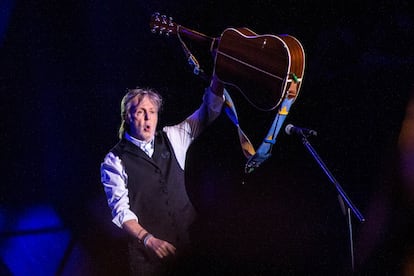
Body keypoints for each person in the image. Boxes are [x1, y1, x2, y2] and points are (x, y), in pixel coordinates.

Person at [100, 75, 224, 275]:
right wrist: (148, 239)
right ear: (127, 117)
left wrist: (220, 76)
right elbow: (121, 212)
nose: (148, 118)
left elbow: (207, 111)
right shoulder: (114, 160)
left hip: (190, 247)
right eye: (141, 112)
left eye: (152, 112)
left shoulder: (172, 137)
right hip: (150, 261)